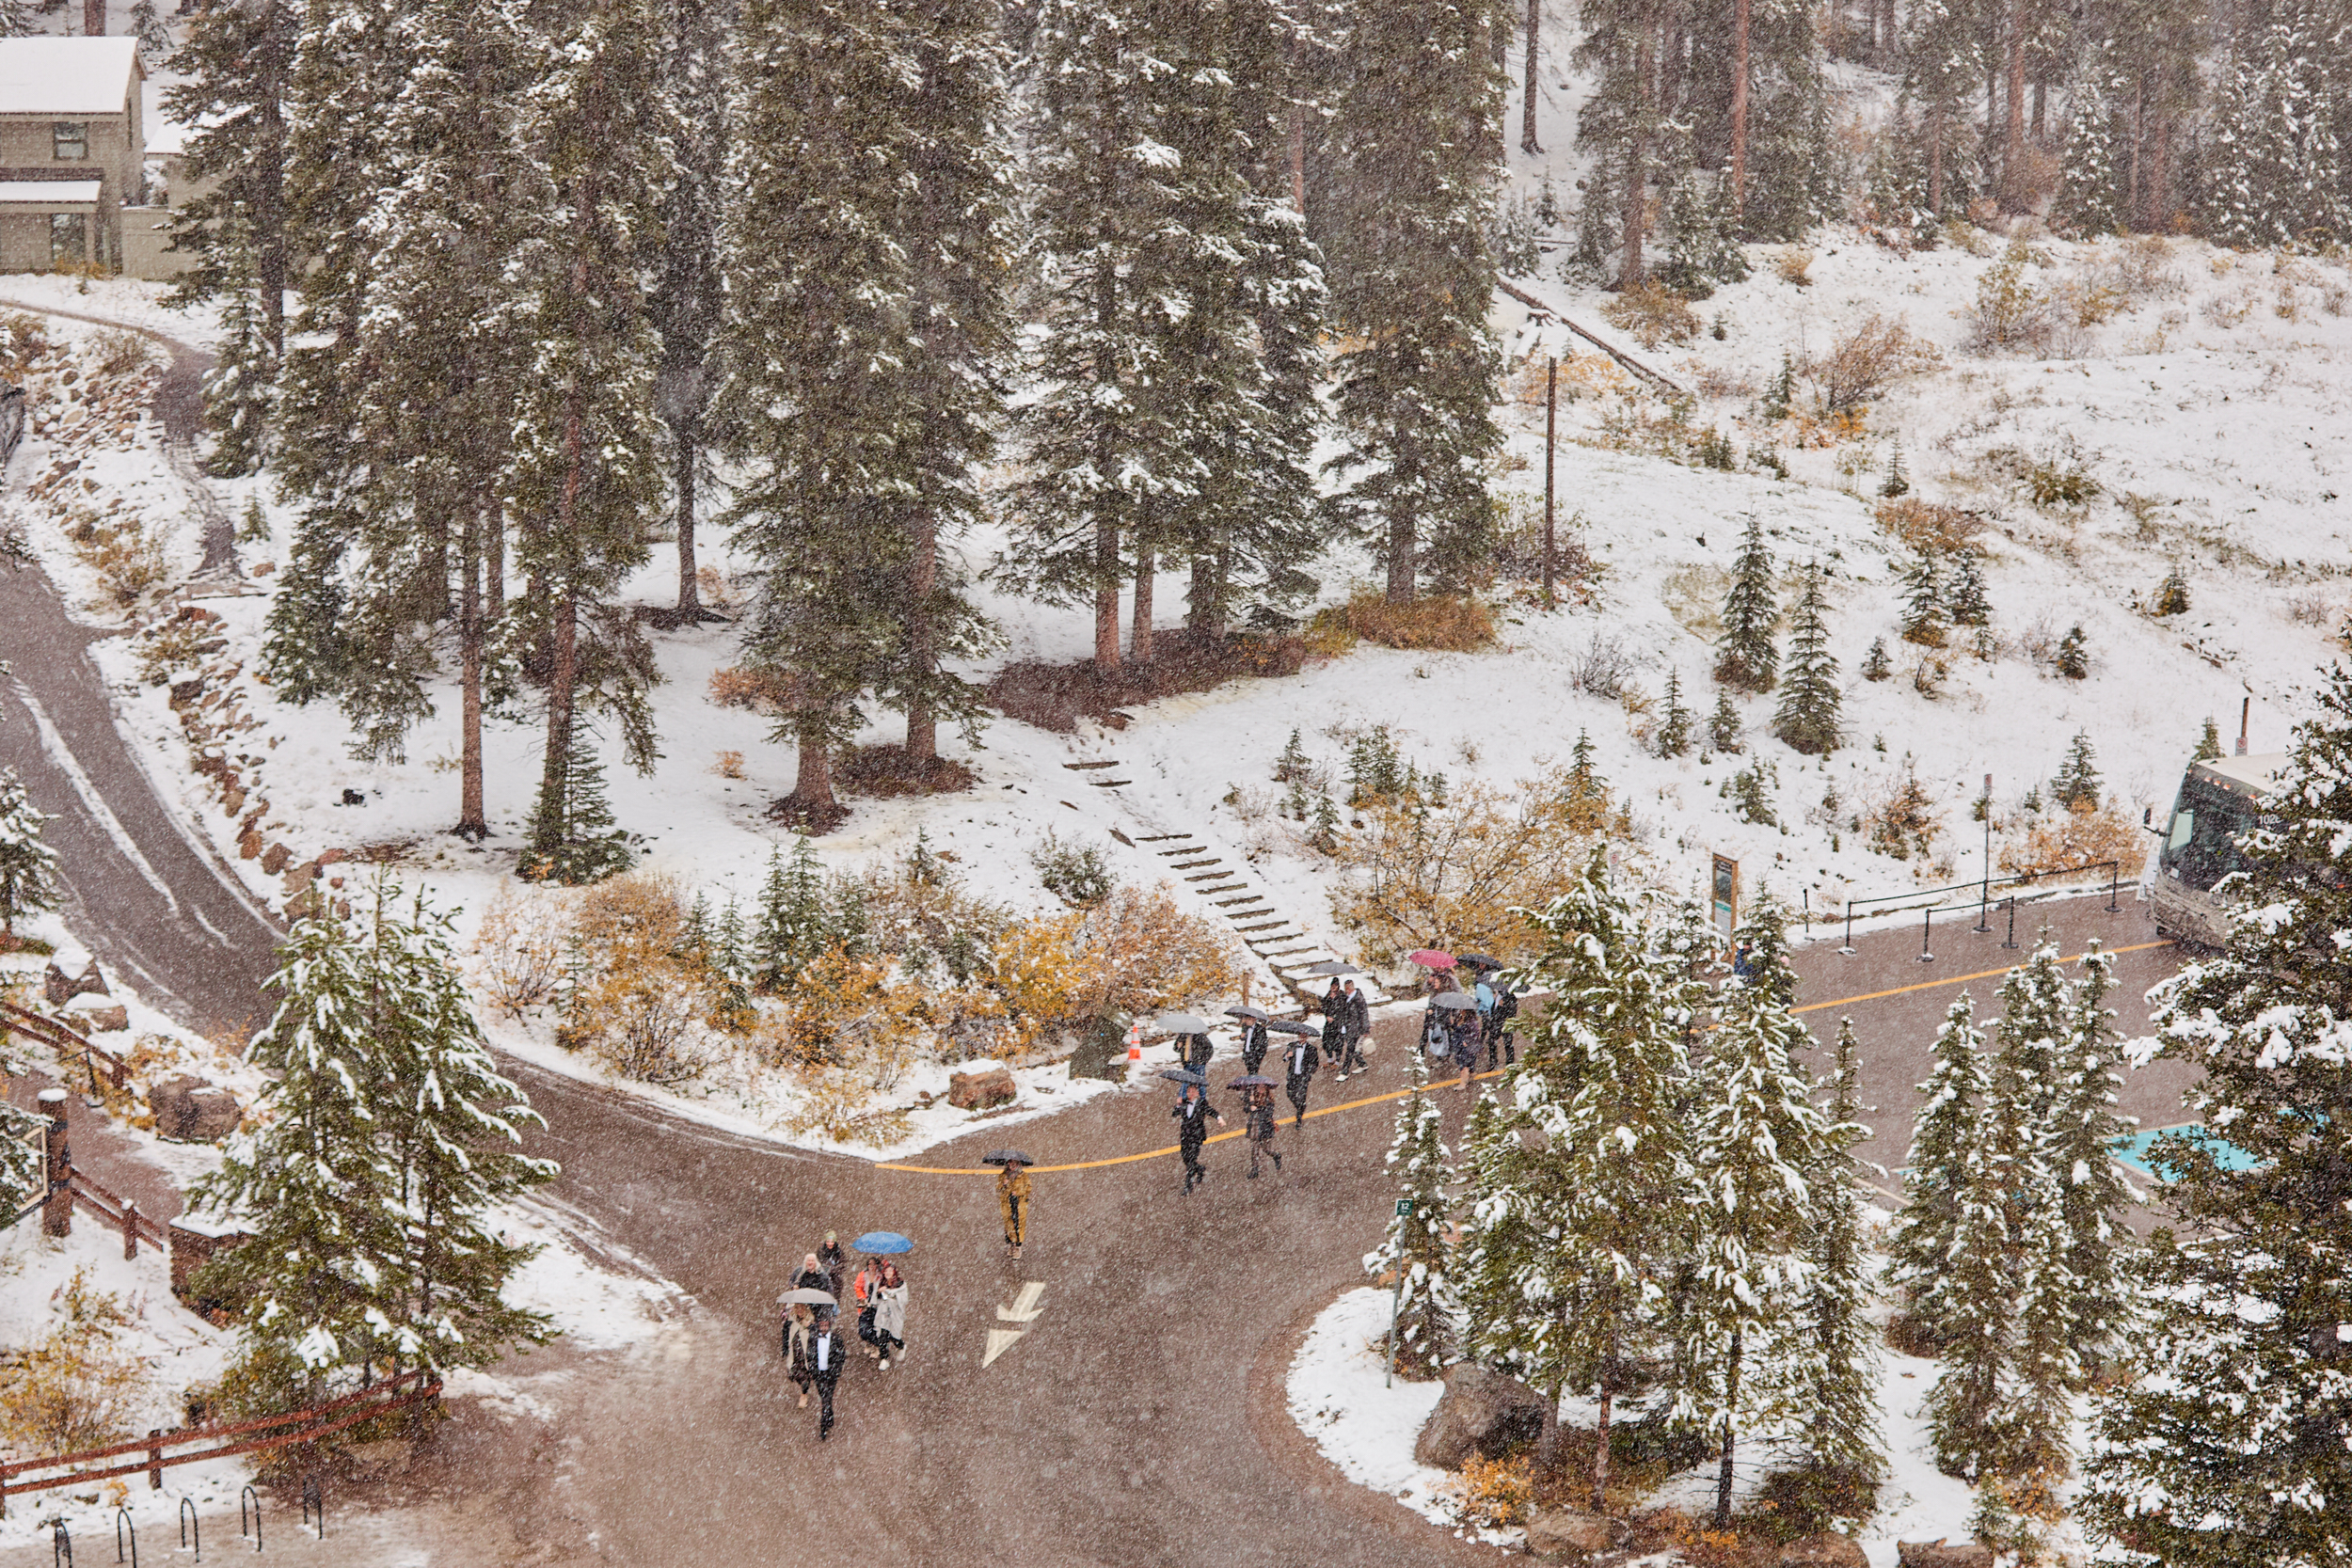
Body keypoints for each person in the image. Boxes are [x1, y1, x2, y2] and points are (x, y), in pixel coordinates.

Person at [1172, 1082, 1222, 1194]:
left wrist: (1219, 1118)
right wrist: (1178, 1105)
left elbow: (1210, 1111)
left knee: (1191, 1159)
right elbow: (1174, 1114)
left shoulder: (1202, 1103)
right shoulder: (1184, 1103)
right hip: (1186, 1135)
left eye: (1192, 1091)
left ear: (1197, 1093)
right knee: (1185, 1157)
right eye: (1188, 1091)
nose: (1190, 1093)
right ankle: (1199, 1169)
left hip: (1197, 1135)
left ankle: (1188, 1184)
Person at [809, 1310, 845, 1440]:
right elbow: (810, 1356)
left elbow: (841, 1357)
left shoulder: (836, 1339)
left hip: (831, 1375)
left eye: (826, 1326)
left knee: (825, 1398)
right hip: (818, 1374)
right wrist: (814, 1371)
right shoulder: (813, 1338)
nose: (824, 1328)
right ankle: (829, 1415)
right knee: (825, 1397)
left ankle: (823, 1427)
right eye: (822, 1325)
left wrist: (835, 1372)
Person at [871, 1260, 909, 1369]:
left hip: (895, 1315)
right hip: (883, 1314)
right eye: (886, 1271)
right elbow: (876, 1298)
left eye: (890, 1271)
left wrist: (887, 1291)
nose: (887, 1273)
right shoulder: (881, 1282)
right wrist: (879, 1292)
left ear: (894, 1272)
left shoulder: (900, 1283)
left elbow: (903, 1299)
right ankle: (884, 1359)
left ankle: (901, 1346)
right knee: (883, 1336)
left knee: (894, 1336)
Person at [1242, 1082, 1282, 1178]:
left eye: (1263, 1087)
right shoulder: (1252, 1096)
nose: (1261, 1089)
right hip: (1254, 1125)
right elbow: (1246, 1109)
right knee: (1254, 1148)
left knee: (1266, 1149)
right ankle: (1254, 1170)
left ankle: (1276, 1155)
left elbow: (1268, 1114)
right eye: (1259, 1087)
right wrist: (1251, 1103)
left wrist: (1256, 1108)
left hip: (1265, 1127)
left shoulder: (1269, 1099)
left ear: (1266, 1088)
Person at [1282, 1028, 1317, 1127]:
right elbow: (1284, 1059)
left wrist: (1308, 1073)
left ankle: (1299, 1118)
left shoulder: (1312, 1049)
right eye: (1301, 1036)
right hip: (1292, 1075)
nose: (1302, 1038)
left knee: (1301, 1097)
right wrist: (1287, 1056)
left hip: (1303, 1076)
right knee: (1290, 1093)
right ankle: (1299, 1107)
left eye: (1304, 1036)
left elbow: (1315, 1064)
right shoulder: (1292, 1046)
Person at [785, 1303, 817, 1410]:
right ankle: (804, 1391)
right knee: (796, 1375)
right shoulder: (793, 1323)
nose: (800, 1310)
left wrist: (809, 1326)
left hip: (807, 1357)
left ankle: (804, 1395)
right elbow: (788, 1340)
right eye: (797, 1308)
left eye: (802, 1308)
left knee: (805, 1379)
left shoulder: (811, 1321)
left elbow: (818, 1335)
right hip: (795, 1356)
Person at [998, 1159, 1032, 1260]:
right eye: (1009, 1163)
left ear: (1018, 1164)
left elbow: (1029, 1188)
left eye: (1013, 1163)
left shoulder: (1023, 1176)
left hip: (1019, 1203)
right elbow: (998, 1188)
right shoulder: (1003, 1175)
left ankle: (1018, 1247)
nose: (1011, 1165)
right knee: (1008, 1224)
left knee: (1018, 1224)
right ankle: (1011, 1245)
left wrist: (1018, 1192)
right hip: (1007, 1204)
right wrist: (1003, 1184)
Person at [1337, 979, 1370, 1078]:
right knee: (1354, 1049)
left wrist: (1365, 1030)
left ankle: (1345, 1071)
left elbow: (1364, 1014)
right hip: (1348, 1027)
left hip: (1355, 1029)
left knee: (1350, 1050)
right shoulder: (1346, 998)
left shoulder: (1358, 999)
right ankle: (1362, 1064)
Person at [852, 1257, 882, 1358]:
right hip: (865, 1306)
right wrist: (862, 1298)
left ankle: (876, 1347)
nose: (872, 1266)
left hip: (876, 1306)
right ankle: (868, 1342)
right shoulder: (862, 1275)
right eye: (870, 1264)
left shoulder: (881, 1276)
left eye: (874, 1264)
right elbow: (857, 1287)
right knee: (863, 1328)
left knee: (875, 1327)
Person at [1320, 980, 1346, 1064]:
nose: (1333, 987)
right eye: (1332, 985)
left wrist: (1334, 1017)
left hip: (1338, 1023)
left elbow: (1343, 1010)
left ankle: (1338, 1060)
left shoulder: (1342, 996)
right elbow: (1323, 1006)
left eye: (1335, 985)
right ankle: (1330, 1058)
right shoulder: (1328, 995)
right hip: (1329, 1023)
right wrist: (1327, 1015)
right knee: (1327, 1040)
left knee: (1338, 1042)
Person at [818, 1231, 848, 1301]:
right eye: (828, 1241)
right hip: (823, 1277)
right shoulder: (821, 1251)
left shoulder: (839, 1252)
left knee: (835, 1298)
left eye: (832, 1242)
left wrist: (834, 1270)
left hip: (835, 1279)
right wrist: (826, 1269)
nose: (830, 1244)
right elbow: (820, 1262)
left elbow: (843, 1264)